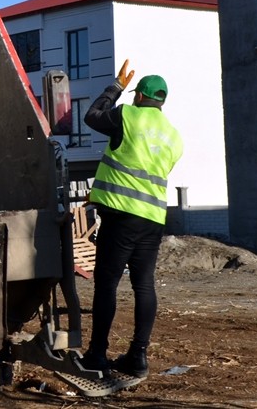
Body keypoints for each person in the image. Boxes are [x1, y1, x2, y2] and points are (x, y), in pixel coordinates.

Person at [79, 60, 184, 380]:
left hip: (121, 214)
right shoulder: (173, 136)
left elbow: (92, 116)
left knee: (107, 283)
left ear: (139, 96)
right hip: (153, 218)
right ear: (161, 102)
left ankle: (97, 354)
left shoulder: (127, 114)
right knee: (144, 285)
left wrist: (115, 87)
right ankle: (137, 357)